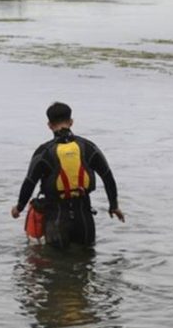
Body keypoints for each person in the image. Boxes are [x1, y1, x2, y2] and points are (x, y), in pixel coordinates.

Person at [10, 102, 124, 248]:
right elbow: (108, 177)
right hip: (84, 217)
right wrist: (113, 206)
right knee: (87, 261)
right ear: (71, 122)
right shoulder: (88, 147)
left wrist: (18, 208)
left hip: (56, 218)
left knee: (57, 265)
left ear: (49, 125)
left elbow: (29, 182)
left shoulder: (44, 152)